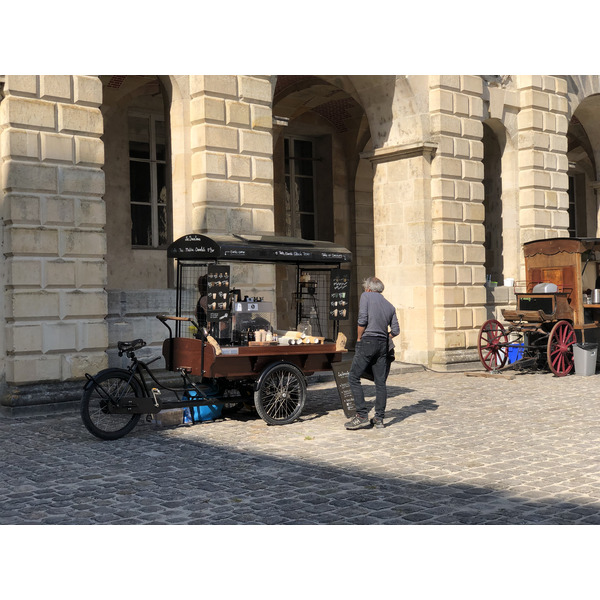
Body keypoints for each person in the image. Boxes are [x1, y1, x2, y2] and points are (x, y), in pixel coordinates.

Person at [345, 276, 399, 430]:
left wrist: (359, 338)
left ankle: (362, 415)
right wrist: (385, 336)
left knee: (353, 376)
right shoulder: (390, 306)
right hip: (383, 345)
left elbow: (362, 320)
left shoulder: (366, 296)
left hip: (368, 341)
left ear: (368, 288)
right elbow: (395, 330)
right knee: (380, 383)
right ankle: (379, 418)